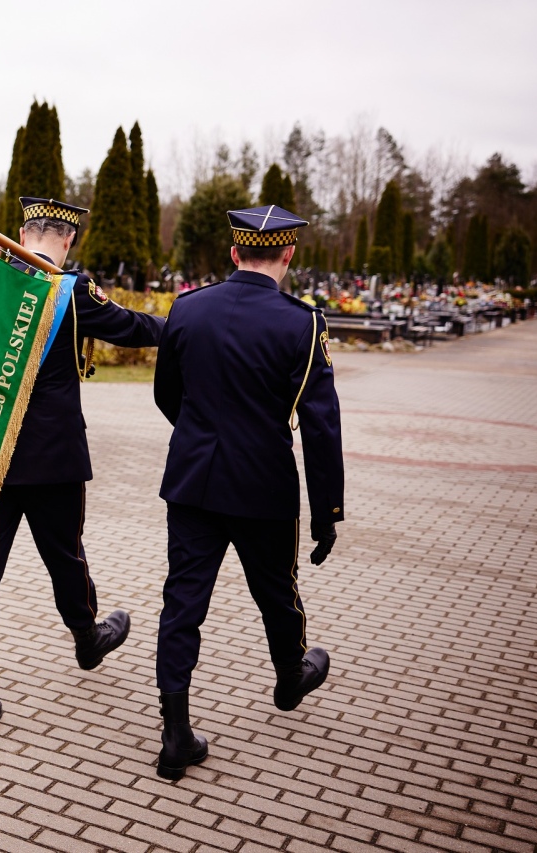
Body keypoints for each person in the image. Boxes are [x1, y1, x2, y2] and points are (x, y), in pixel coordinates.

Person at [0, 197, 165, 739]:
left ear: (23, 231)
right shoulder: (70, 288)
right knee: (66, 556)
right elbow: (133, 328)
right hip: (53, 458)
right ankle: (87, 638)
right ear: (68, 240)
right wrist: (187, 321)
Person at [151, 205, 344, 781]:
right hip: (263, 485)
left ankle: (175, 732)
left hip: (192, 482)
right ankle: (290, 675)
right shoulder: (303, 324)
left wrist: (198, 437)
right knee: (276, 594)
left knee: (182, 604)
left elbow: (168, 395)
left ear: (234, 253)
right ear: (288, 255)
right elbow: (321, 426)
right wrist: (327, 512)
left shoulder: (187, 308)